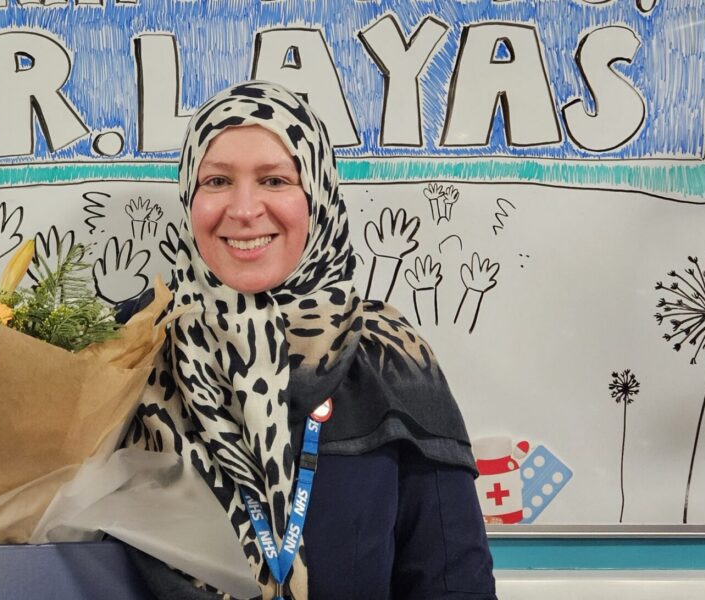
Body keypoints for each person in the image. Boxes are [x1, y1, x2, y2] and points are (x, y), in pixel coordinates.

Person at [119, 81, 497, 600]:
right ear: (190, 195)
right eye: (217, 181)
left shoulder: (389, 360)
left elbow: (452, 584)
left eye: (275, 180)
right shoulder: (127, 351)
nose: (245, 208)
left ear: (316, 194)